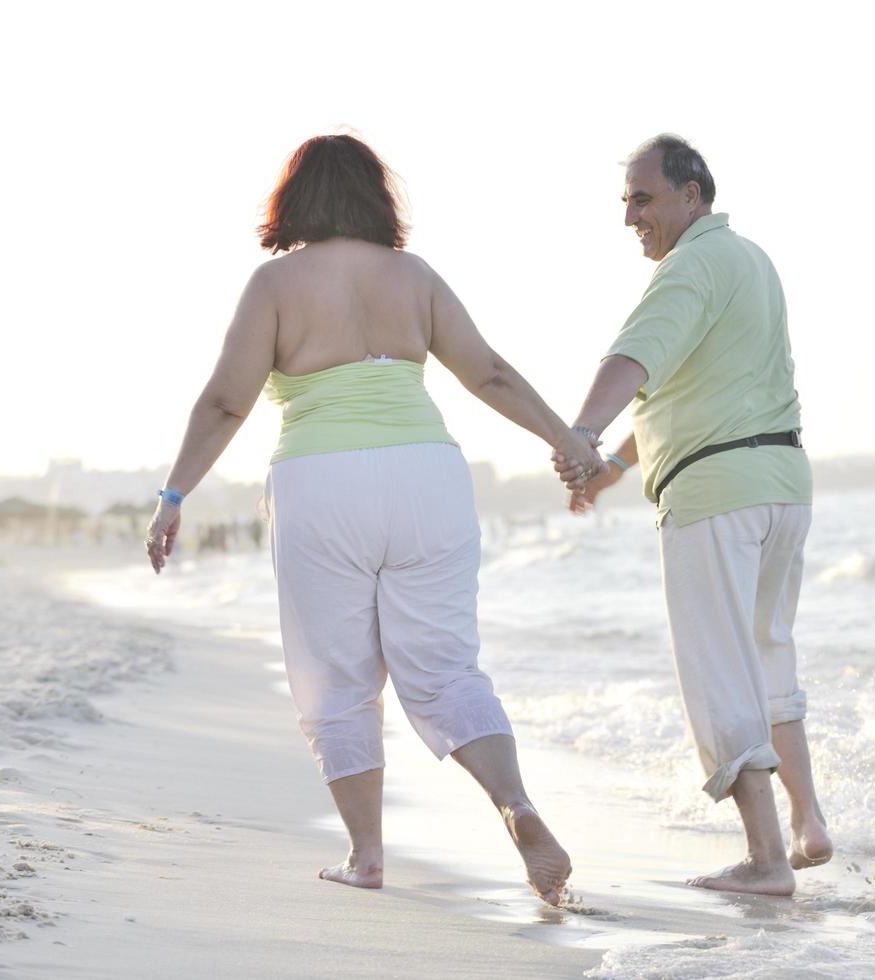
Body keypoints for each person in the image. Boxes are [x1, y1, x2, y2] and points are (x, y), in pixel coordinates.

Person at [145, 133, 602, 905]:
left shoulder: (276, 285)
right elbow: (487, 372)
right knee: (448, 668)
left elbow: (227, 402)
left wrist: (173, 496)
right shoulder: (414, 277)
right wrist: (565, 439)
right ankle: (517, 805)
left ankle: (366, 855)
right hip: (428, 474)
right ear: (375, 197)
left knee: (337, 679)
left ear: (293, 200)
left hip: (323, 484)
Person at [553, 134, 833, 896]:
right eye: (626, 202)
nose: (630, 217)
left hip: (715, 498)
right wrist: (613, 468)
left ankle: (768, 860)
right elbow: (698, 394)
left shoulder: (688, 267)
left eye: (643, 199)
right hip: (782, 484)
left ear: (692, 195)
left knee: (718, 673)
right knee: (768, 653)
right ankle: (808, 820)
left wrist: (582, 435)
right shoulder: (751, 261)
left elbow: (634, 359)